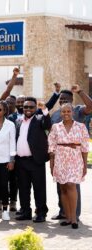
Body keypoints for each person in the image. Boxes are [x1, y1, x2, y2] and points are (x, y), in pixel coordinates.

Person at [49, 85, 92, 221]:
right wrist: (52, 159)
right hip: (60, 156)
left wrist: (80, 91)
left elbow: (91, 106)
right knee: (61, 185)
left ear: (72, 100)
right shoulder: (56, 114)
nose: (63, 101)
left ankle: (75, 215)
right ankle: (64, 212)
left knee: (73, 185)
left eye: (66, 99)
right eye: (61, 99)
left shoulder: (78, 110)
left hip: (74, 156)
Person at [15, 97, 51, 223]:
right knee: (23, 188)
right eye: (26, 107)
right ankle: (25, 211)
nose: (28, 109)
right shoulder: (19, 121)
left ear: (35, 108)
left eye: (31, 107)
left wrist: (44, 109)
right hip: (21, 161)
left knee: (39, 189)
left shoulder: (40, 119)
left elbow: (47, 124)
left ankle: (41, 213)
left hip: (36, 161)